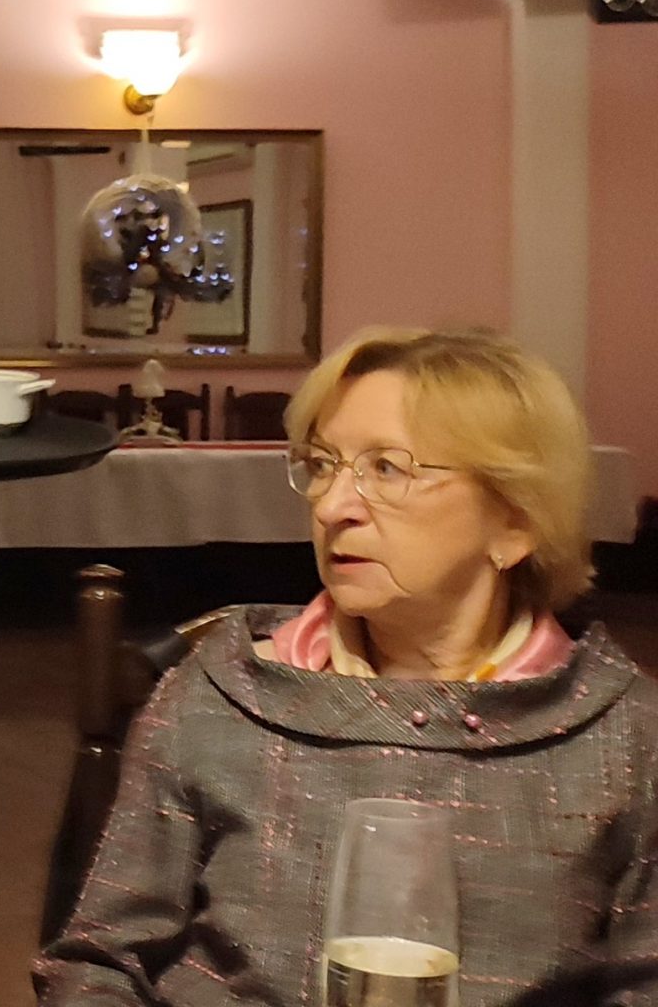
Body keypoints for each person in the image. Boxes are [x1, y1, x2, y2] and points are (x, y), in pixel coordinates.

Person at [38, 328, 658, 1007]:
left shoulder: (624, 741)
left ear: (516, 522)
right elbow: (100, 963)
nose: (332, 507)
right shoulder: (219, 693)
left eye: (387, 469)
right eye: (324, 464)